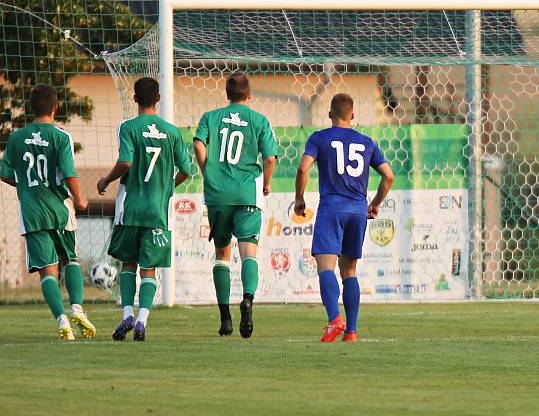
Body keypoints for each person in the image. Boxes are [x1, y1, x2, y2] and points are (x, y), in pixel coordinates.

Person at [294, 93, 394, 342]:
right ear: (353, 116)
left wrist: (299, 198)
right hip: (358, 211)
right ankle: (351, 331)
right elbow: (389, 176)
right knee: (349, 271)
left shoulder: (319, 138)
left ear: (329, 114)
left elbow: (303, 167)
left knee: (325, 266)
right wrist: (375, 204)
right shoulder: (367, 142)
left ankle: (334, 320)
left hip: (332, 209)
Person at [97, 77, 191, 341]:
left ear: (134, 99)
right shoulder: (172, 132)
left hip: (131, 208)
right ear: (158, 99)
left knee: (129, 262)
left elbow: (126, 162)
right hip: (157, 211)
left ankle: (127, 313)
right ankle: (141, 321)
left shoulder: (127, 127)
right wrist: (168, 188)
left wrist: (106, 179)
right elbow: (187, 171)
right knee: (149, 268)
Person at [0, 84, 95, 340]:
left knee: (47, 270)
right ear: (56, 107)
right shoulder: (61, 137)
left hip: (32, 212)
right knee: (70, 259)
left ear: (32, 108)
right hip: (59, 208)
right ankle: (77, 307)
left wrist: (26, 186)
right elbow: (69, 173)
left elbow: (5, 173)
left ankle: (62, 320)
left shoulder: (17, 138)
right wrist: (80, 199)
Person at [193, 72, 278, 338]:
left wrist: (208, 170)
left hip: (218, 193)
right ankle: (248, 299)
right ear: (249, 95)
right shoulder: (259, 120)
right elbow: (271, 157)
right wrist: (266, 182)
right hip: (247, 193)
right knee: (248, 251)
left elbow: (198, 144)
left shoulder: (210, 117)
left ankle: (225, 318)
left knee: (222, 254)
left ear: (227, 95)